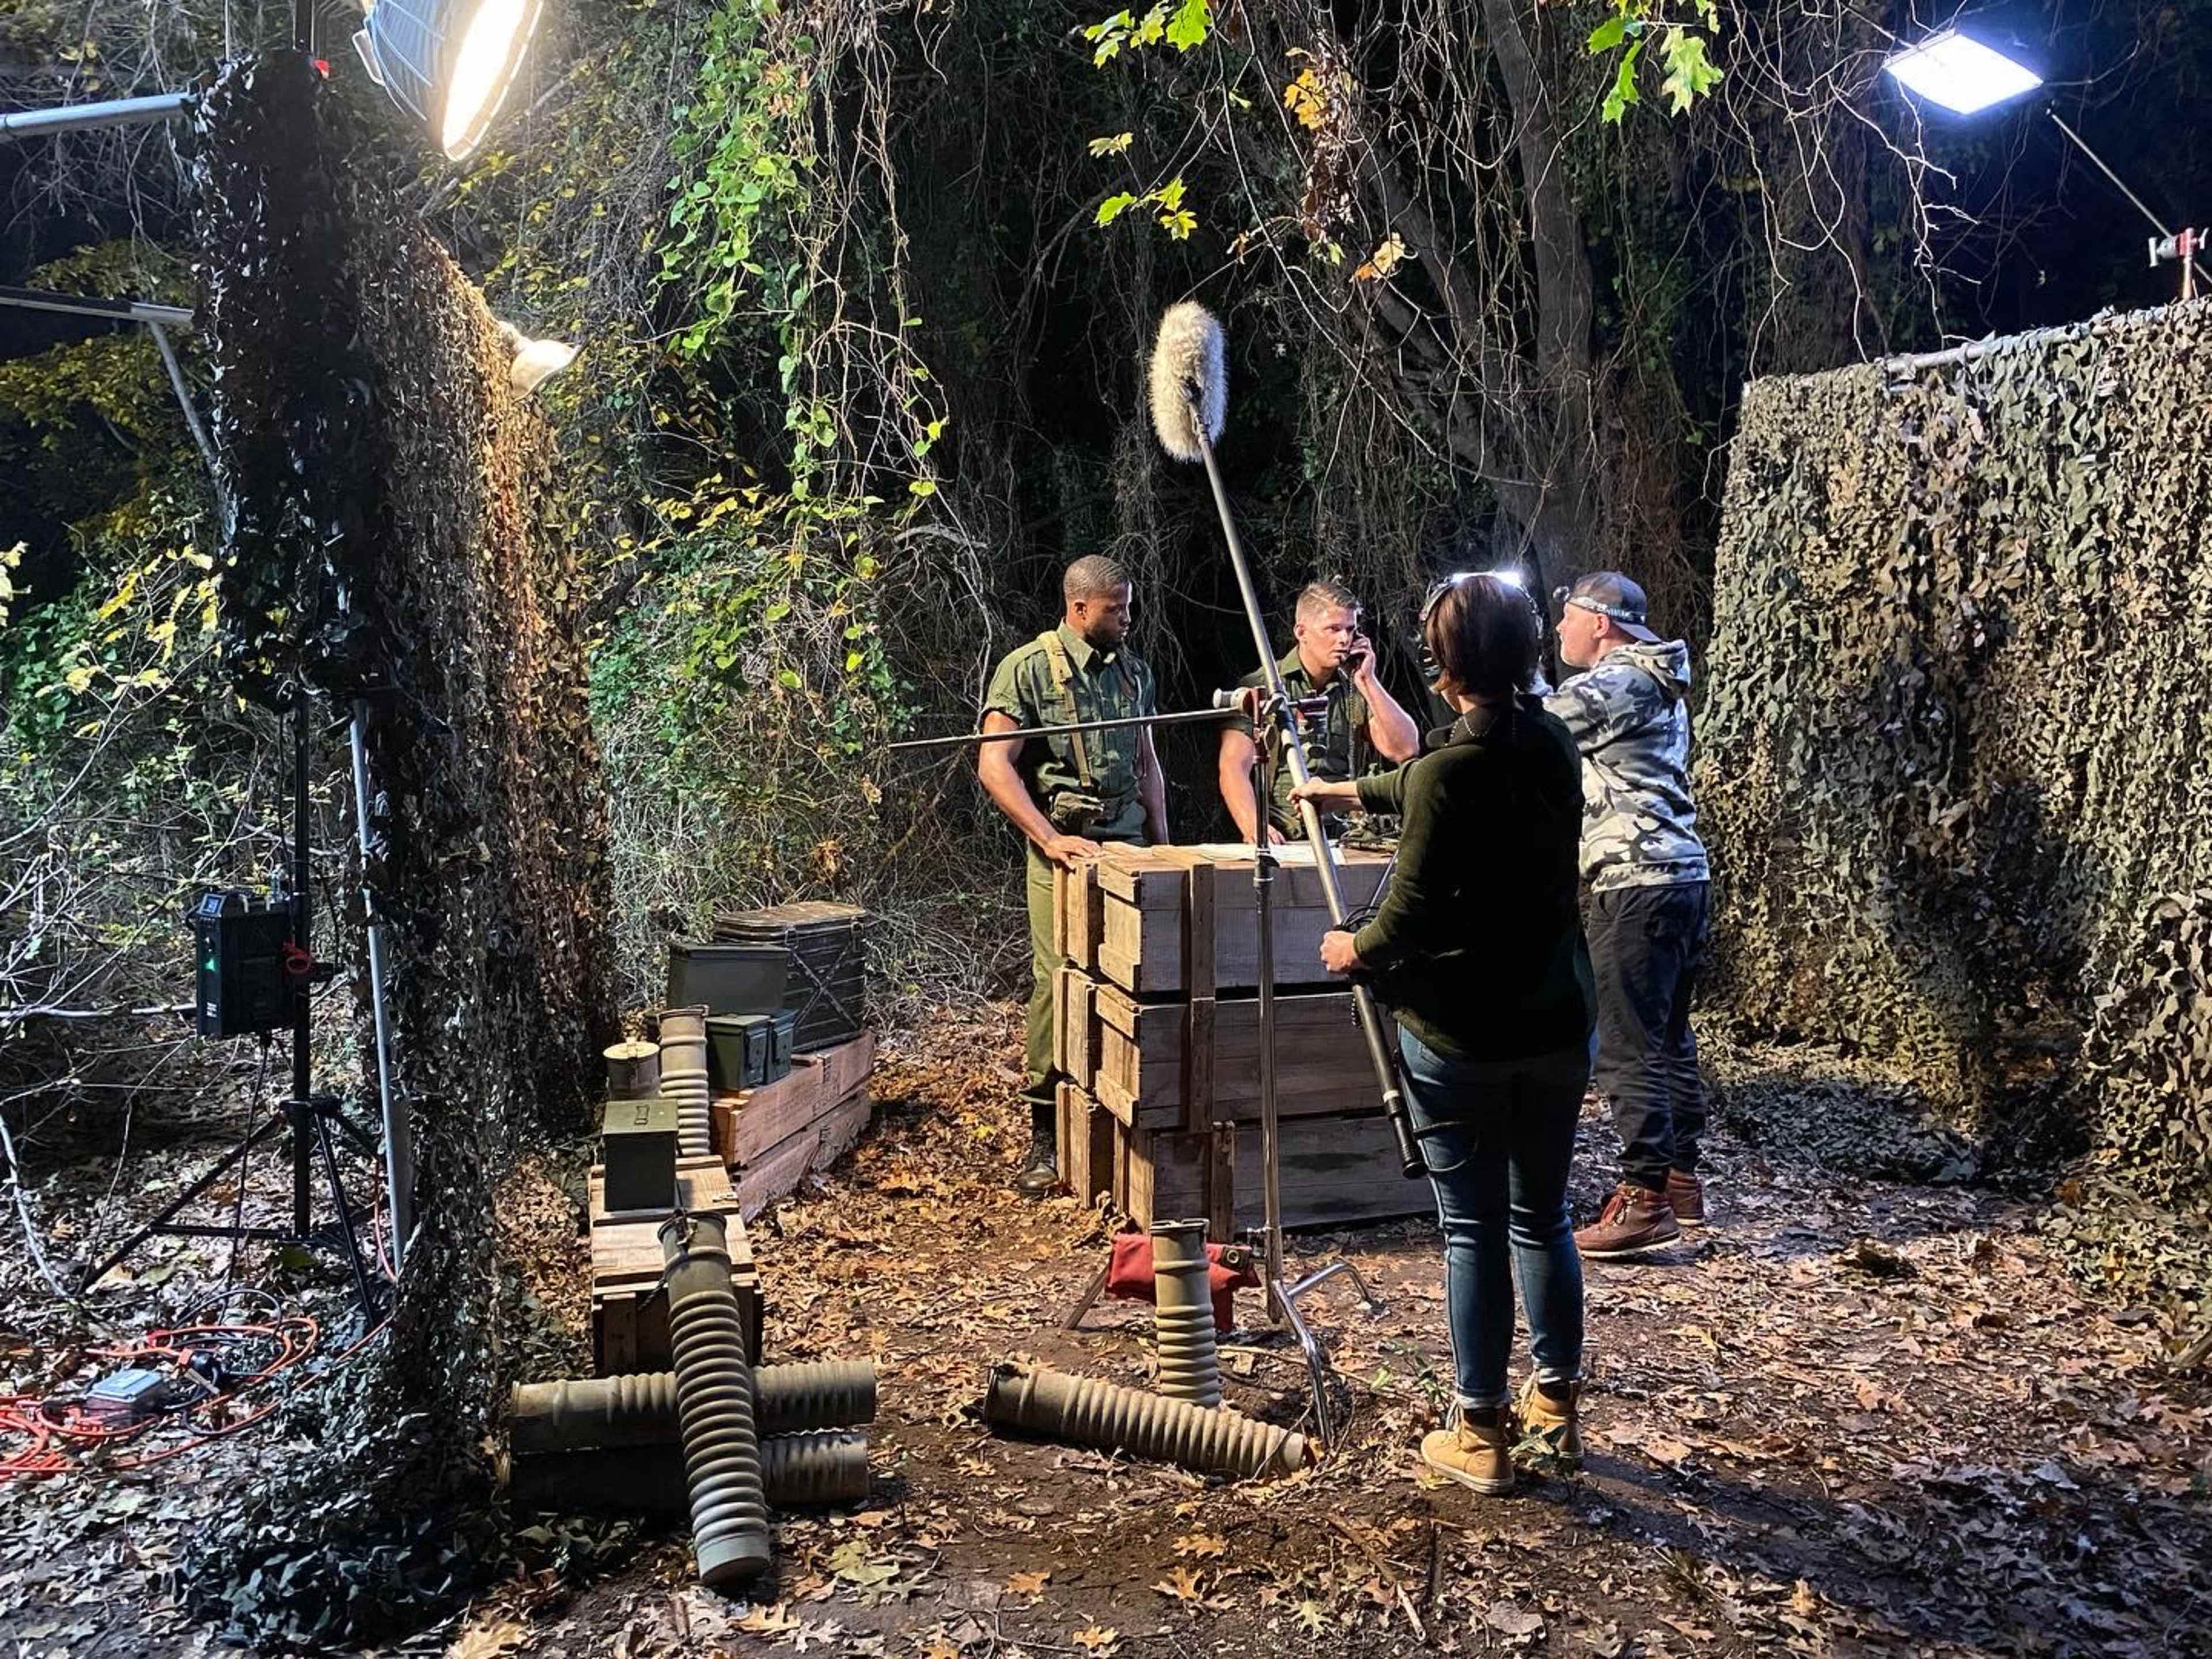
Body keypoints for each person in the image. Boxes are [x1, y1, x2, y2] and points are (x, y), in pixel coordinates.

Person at [1292, 572, 1593, 1497]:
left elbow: (1406, 916)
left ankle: (1479, 1432)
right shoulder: (1551, 743)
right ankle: (1555, 1411)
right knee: (1541, 1216)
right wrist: (1346, 792)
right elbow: (1430, 781)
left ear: (1440, 667)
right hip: (1556, 1023)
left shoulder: (1449, 775)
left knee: (1473, 1229)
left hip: (1463, 1034)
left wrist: (1352, 946)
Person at [978, 555, 1170, 1197]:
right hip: (1064, 848)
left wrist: (1163, 850)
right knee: (1057, 981)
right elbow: (994, 767)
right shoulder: (1029, 670)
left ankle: (1131, 1118)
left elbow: (1148, 763)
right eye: (1116, 608)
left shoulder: (1133, 673)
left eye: (1129, 605)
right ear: (1079, 607)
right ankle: (1047, 1133)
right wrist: (1050, 838)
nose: (1126, 618)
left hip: (1129, 844)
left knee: (1141, 980)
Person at [1543, 571, 1711, 1259]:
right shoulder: (1657, 678)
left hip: (1635, 880)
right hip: (1679, 875)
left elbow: (1532, 731)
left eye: (1567, 620)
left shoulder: (1616, 683)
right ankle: (1678, 1182)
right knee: (1667, 1036)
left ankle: (1643, 1200)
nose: (1559, 633)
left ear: (1600, 623)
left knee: (1627, 1046)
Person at [1217, 579, 1421, 843]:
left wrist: (1368, 681)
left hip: (1346, 836)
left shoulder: (1355, 689)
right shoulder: (1264, 685)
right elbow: (1233, 766)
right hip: (1286, 834)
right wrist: (1254, 826)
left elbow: (1404, 749)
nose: (1344, 639)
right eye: (1333, 629)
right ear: (1302, 633)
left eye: (1351, 630)